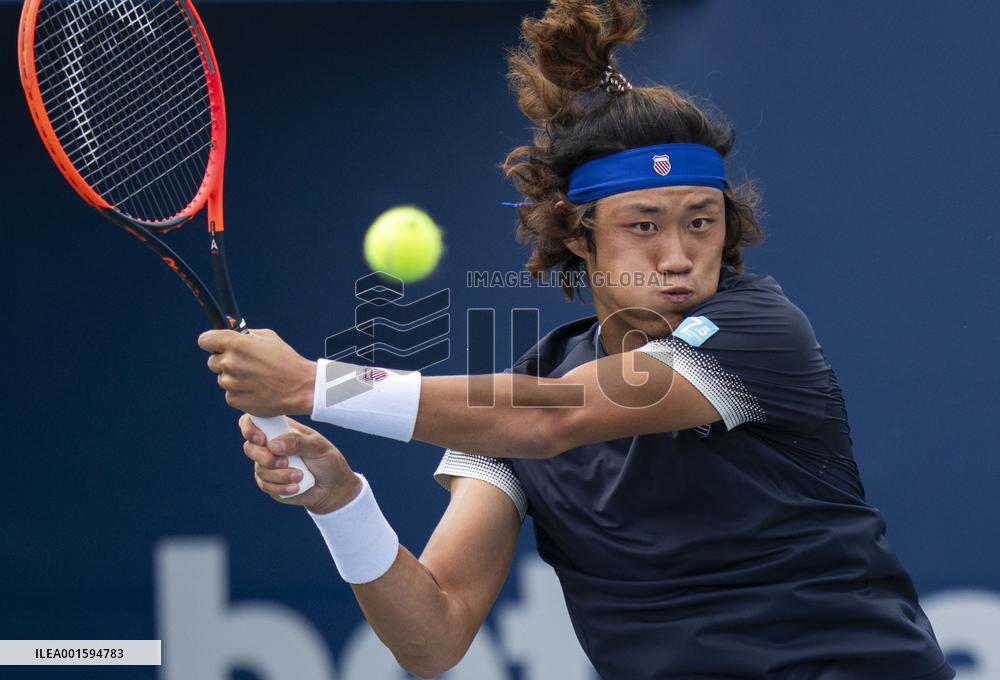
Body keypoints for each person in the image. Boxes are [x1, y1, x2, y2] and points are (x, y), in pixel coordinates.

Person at [197, 1, 955, 678]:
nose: (678, 255)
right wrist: (341, 504)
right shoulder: (528, 389)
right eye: (643, 225)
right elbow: (432, 640)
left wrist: (313, 387)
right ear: (579, 237)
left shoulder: (759, 334)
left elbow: (551, 418)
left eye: (701, 220)